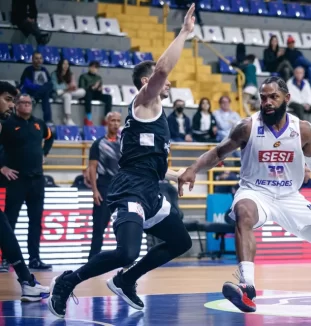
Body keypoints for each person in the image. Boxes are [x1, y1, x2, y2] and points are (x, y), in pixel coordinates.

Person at [177, 76, 311, 313]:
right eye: (263, 98)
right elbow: (217, 153)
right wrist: (193, 169)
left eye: (273, 97)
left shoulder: (302, 130)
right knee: (244, 212)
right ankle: (247, 286)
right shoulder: (247, 127)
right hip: (255, 192)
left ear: (287, 98)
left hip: (290, 197)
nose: (267, 102)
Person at [47, 5, 196, 319]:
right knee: (127, 251)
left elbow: (149, 162)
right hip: (129, 188)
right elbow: (162, 71)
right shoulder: (145, 102)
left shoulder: (157, 117)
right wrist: (183, 32)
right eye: (160, 80)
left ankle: (126, 279)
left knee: (180, 240)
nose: (168, 84)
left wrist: (177, 173)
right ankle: (69, 281)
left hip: (149, 187)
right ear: (146, 81)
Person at [0, 81, 49, 301]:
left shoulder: (38, 124)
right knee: (6, 225)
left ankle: (27, 278)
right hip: (17, 181)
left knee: (5, 228)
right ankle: (26, 280)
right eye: (8, 100)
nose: (11, 105)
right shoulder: (8, 125)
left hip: (36, 179)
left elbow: (50, 137)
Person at [87, 112, 122, 260]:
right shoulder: (98, 144)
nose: (115, 123)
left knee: (123, 226)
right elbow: (92, 168)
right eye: (112, 120)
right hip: (104, 187)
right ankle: (92, 259)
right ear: (107, 123)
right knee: (99, 227)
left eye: (118, 121)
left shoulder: (124, 143)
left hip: (121, 188)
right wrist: (95, 190)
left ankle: (125, 257)